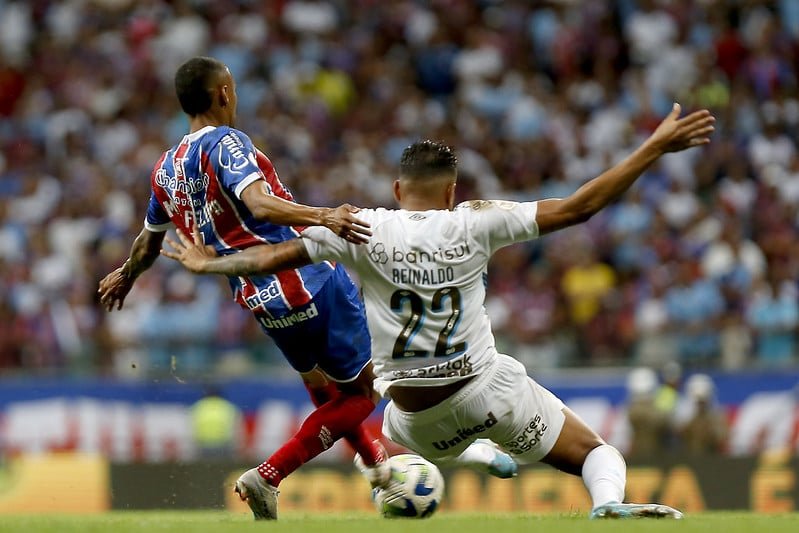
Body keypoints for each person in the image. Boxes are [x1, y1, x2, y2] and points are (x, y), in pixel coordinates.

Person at [162, 103, 714, 519]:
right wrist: (654, 147)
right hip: (487, 391)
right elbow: (580, 207)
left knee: (373, 425)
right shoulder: (477, 220)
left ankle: (463, 455)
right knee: (597, 453)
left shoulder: (362, 227)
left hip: (414, 418)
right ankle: (605, 504)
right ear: (452, 191)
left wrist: (211, 265)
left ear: (397, 187)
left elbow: (275, 255)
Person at [97, 56, 389, 520]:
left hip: (260, 299)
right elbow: (259, 203)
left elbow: (149, 241)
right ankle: (270, 474)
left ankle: (377, 468)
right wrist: (325, 216)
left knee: (318, 382)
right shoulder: (227, 142)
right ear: (223, 94)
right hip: (303, 277)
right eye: (232, 87)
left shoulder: (165, 168)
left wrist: (127, 275)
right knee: (360, 396)